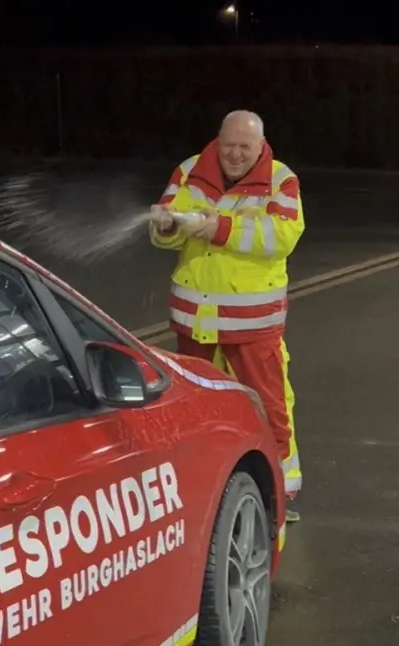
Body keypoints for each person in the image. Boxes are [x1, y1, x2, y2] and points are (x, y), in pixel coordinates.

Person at [150, 110, 305, 526]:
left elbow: (281, 236)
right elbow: (166, 225)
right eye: (229, 145)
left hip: (251, 324)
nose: (235, 155)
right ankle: (206, 492)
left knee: (269, 409)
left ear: (261, 146)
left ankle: (277, 496)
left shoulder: (281, 179)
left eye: (245, 147)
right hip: (194, 321)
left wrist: (221, 228)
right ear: (217, 140)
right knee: (197, 413)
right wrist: (165, 227)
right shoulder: (188, 171)